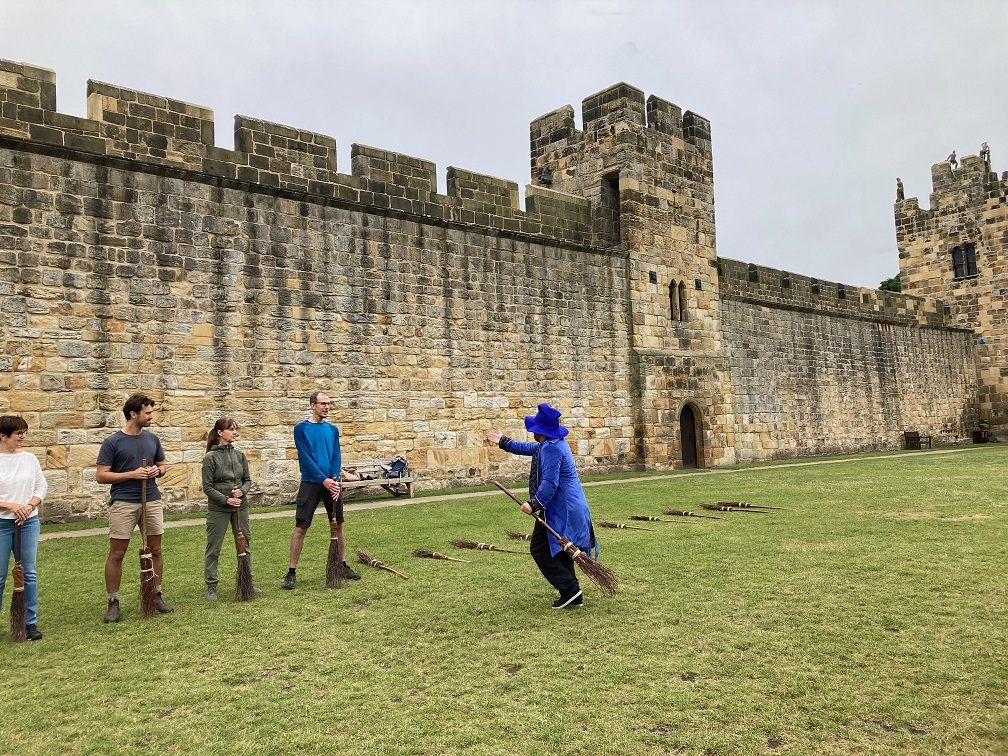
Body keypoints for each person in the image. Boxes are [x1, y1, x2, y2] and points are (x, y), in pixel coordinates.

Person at [487, 402, 596, 609]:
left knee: (540, 549)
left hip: (563, 508)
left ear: (540, 430)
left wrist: (534, 503)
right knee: (561, 549)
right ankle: (573, 592)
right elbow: (529, 449)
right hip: (564, 507)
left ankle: (570, 590)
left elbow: (550, 482)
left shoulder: (553, 447)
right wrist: (504, 441)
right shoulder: (550, 444)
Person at [96, 393, 172, 622]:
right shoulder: (113, 442)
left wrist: (156, 471)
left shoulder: (152, 439)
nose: (151, 417)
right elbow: (101, 476)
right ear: (133, 414)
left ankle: (156, 594)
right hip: (124, 502)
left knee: (156, 549)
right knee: (117, 553)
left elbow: (163, 466)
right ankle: (113, 601)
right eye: (147, 413)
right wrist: (133, 474)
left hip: (152, 499)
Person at [282, 391, 360, 589]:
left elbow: (336, 456)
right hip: (311, 483)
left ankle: (341, 565)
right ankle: (291, 572)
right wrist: (323, 479)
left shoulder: (333, 430)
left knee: (338, 525)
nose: (326, 407)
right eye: (322, 403)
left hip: (331, 483)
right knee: (301, 527)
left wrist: (334, 479)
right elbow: (306, 458)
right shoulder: (301, 429)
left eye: (328, 403)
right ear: (312, 405)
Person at [0, 416, 47, 640]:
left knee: (28, 572)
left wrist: (29, 506)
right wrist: (11, 505)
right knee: (0, 576)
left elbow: (41, 486)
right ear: (3, 436)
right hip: (2, 523)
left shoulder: (30, 459)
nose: (23, 437)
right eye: (18, 433)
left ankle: (30, 623)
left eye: (24, 432)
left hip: (28, 522)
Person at [202, 417, 259, 601]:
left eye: (236, 429)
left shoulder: (239, 455)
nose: (235, 432)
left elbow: (248, 480)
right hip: (219, 509)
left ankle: (246, 581)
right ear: (220, 432)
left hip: (240, 508)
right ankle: (211, 586)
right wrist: (226, 500)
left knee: (245, 544)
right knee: (214, 547)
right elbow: (207, 487)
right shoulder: (210, 457)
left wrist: (242, 492)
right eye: (231, 429)